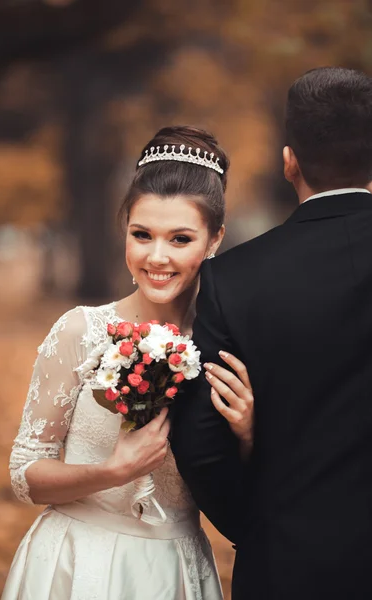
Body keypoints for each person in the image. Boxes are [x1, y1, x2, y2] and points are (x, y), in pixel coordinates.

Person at [2, 126, 254, 600]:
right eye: (142, 235)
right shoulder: (81, 331)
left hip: (175, 567)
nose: (156, 256)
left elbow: (245, 493)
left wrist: (248, 435)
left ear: (214, 239)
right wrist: (111, 472)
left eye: (180, 239)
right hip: (77, 565)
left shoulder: (228, 346)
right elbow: (24, 473)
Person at [171, 66, 372, 600]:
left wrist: (258, 529)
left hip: (288, 565)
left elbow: (201, 444)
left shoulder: (234, 280)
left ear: (289, 162)